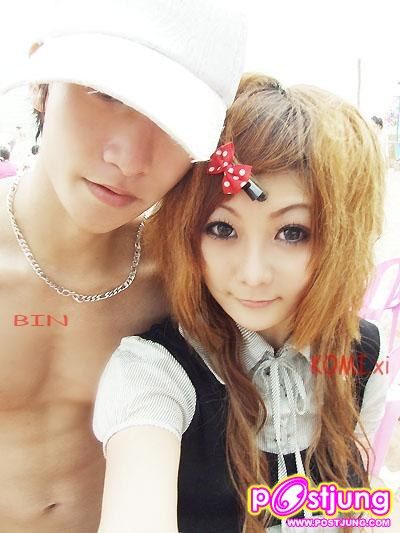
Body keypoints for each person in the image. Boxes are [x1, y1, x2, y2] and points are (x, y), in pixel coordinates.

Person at [93, 75, 388, 533]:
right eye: (222, 229)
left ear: (341, 238)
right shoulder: (156, 372)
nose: (252, 274)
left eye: (292, 232)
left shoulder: (363, 353)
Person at [0, 1, 246, 531]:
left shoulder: (187, 279)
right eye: (106, 92)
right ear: (43, 85)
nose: (130, 159)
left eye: (174, 118)